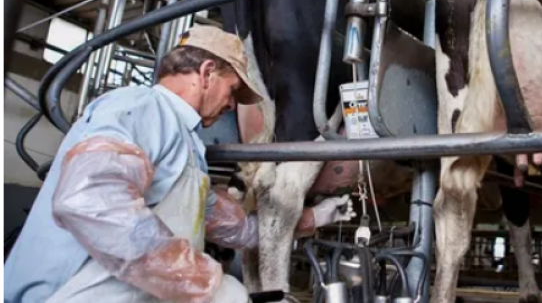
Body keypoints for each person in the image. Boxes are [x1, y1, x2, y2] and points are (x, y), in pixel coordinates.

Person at [4, 26, 354, 303]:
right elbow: (91, 202)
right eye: (232, 91)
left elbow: (235, 229)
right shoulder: (140, 109)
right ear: (206, 73)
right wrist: (197, 280)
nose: (232, 106)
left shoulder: (186, 146)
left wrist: (315, 218)